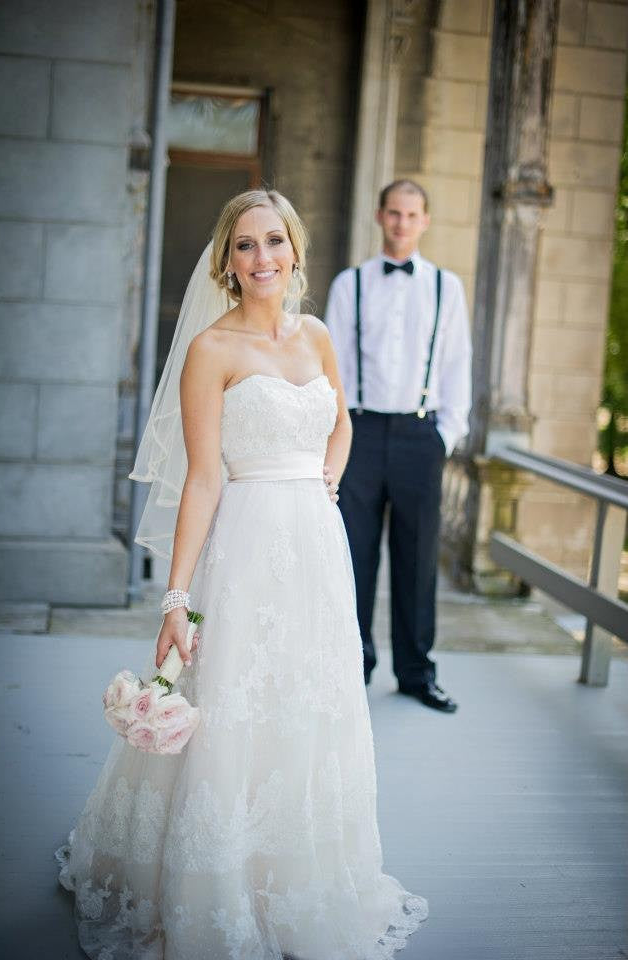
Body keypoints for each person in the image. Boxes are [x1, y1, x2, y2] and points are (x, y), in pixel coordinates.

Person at [57, 189, 427, 958]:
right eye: (245, 245)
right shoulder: (211, 351)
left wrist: (322, 486)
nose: (262, 259)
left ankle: (298, 873)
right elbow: (200, 479)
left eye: (274, 242)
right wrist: (177, 598)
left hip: (318, 552)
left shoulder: (318, 335)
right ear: (226, 261)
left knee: (311, 704)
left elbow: (343, 421)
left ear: (294, 249)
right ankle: (216, 885)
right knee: (234, 704)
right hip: (247, 547)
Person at [325, 179, 472, 713]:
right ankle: (351, 666)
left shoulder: (445, 288)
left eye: (412, 215)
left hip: (418, 436)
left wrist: (445, 435)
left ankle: (416, 672)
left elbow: (458, 362)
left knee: (416, 558)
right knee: (352, 554)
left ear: (425, 220)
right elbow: (331, 364)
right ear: (379, 216)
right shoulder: (350, 284)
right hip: (358, 433)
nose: (402, 223)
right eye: (393, 213)